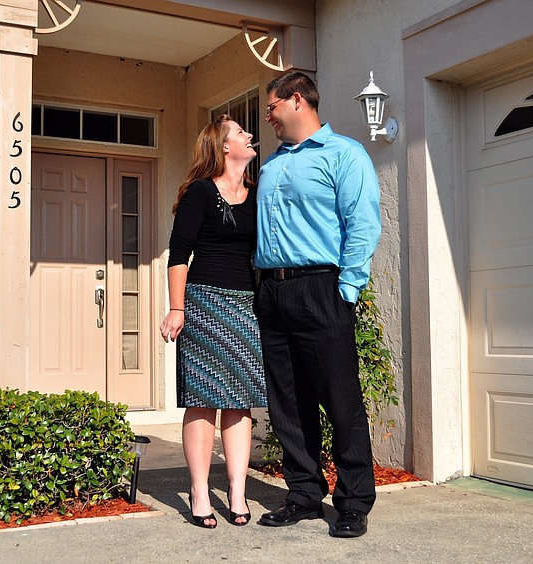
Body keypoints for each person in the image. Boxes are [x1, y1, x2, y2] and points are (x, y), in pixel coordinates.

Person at [253, 71, 381, 538]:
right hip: (273, 291)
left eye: (271, 106)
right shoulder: (270, 165)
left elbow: (362, 224)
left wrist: (346, 289)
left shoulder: (345, 154)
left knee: (340, 398)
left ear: (297, 101)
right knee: (287, 400)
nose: (267, 115)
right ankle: (305, 493)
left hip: (321, 287)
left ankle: (353, 500)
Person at [160, 114, 267, 529]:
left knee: (239, 402)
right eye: (241, 132)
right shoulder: (200, 193)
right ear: (224, 146)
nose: (249, 135)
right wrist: (176, 308)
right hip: (203, 303)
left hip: (245, 305)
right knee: (203, 401)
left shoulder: (256, 194)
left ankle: (237, 492)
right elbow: (178, 253)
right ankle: (201, 492)